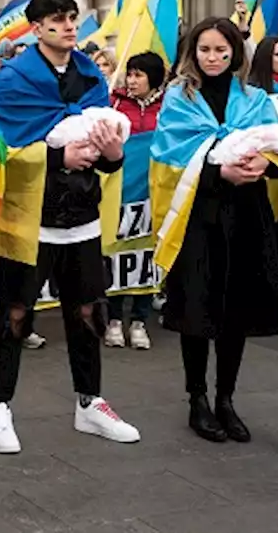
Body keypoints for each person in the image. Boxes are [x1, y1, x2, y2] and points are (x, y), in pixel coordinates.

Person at [0, 0, 138, 453]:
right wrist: (57, 156)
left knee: (89, 313)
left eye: (73, 18)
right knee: (15, 314)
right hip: (30, 216)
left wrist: (112, 155)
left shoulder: (92, 76)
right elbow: (1, 146)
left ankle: (90, 402)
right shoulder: (11, 79)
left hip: (83, 217)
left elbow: (107, 152)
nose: (69, 26)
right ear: (36, 28)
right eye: (57, 19)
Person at [151, 17, 278, 445]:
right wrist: (218, 172)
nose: (213, 58)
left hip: (247, 217)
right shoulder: (178, 98)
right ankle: (197, 398)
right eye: (205, 50)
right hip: (199, 217)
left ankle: (226, 398)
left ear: (236, 54)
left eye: (221, 50)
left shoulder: (255, 98)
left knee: (236, 311)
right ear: (192, 53)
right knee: (198, 310)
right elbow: (167, 159)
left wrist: (266, 164)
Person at [106, 51, 167, 349]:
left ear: (153, 78)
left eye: (138, 74)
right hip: (119, 193)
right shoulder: (113, 103)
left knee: (146, 256)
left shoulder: (169, 107)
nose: (131, 80)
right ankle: (115, 318)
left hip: (153, 194)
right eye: (129, 73)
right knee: (117, 255)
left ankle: (140, 319)